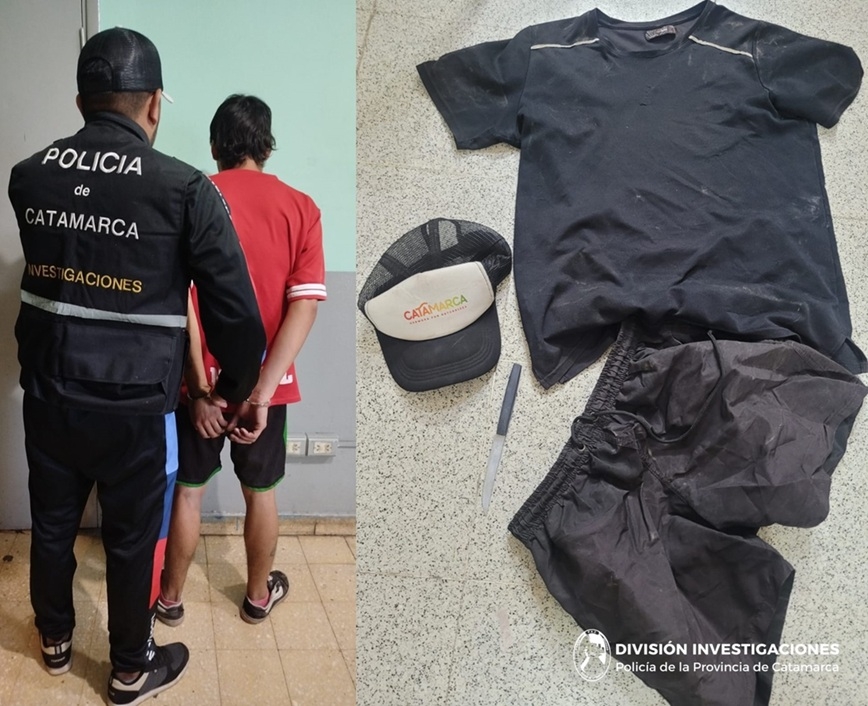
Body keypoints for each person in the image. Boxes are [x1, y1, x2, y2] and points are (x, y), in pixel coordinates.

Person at [7, 29, 266, 706]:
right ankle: (128, 668)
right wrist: (234, 391)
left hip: (49, 394)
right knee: (128, 539)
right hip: (133, 407)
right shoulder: (183, 188)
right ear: (154, 104)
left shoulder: (29, 176)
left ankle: (55, 641)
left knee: (53, 525)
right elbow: (236, 314)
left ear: (81, 102)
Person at [157, 94, 326, 627]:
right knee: (261, 494)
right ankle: (256, 597)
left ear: (215, 146)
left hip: (198, 385)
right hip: (265, 389)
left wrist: (199, 391)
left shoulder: (190, 198)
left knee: (188, 493)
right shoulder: (301, 208)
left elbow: (181, 301)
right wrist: (261, 391)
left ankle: (170, 601)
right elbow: (304, 305)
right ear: (266, 147)